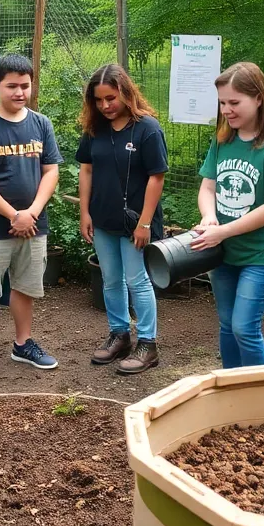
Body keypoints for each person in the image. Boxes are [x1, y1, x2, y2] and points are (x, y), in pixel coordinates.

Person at [0, 54, 62, 382]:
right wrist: (13, 214)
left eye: (25, 85)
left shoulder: (41, 124)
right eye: (11, 86)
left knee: (25, 287)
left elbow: (51, 171)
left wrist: (31, 213)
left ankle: (22, 343)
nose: (20, 92)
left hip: (34, 225)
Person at [191, 62, 264, 369]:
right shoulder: (224, 138)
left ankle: (258, 397)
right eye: (223, 102)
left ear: (259, 98)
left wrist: (221, 231)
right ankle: (230, 389)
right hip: (222, 252)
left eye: (234, 102)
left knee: (244, 327)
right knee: (227, 324)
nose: (226, 109)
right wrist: (210, 217)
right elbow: (207, 188)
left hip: (260, 256)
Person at [77, 64, 168, 374]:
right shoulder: (95, 129)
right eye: (99, 100)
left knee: (137, 280)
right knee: (111, 280)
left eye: (111, 98)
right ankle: (120, 335)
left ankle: (148, 344)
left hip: (135, 224)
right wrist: (85, 212)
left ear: (127, 94)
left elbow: (157, 178)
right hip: (102, 219)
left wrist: (145, 223)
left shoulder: (148, 128)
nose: (105, 106)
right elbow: (86, 169)